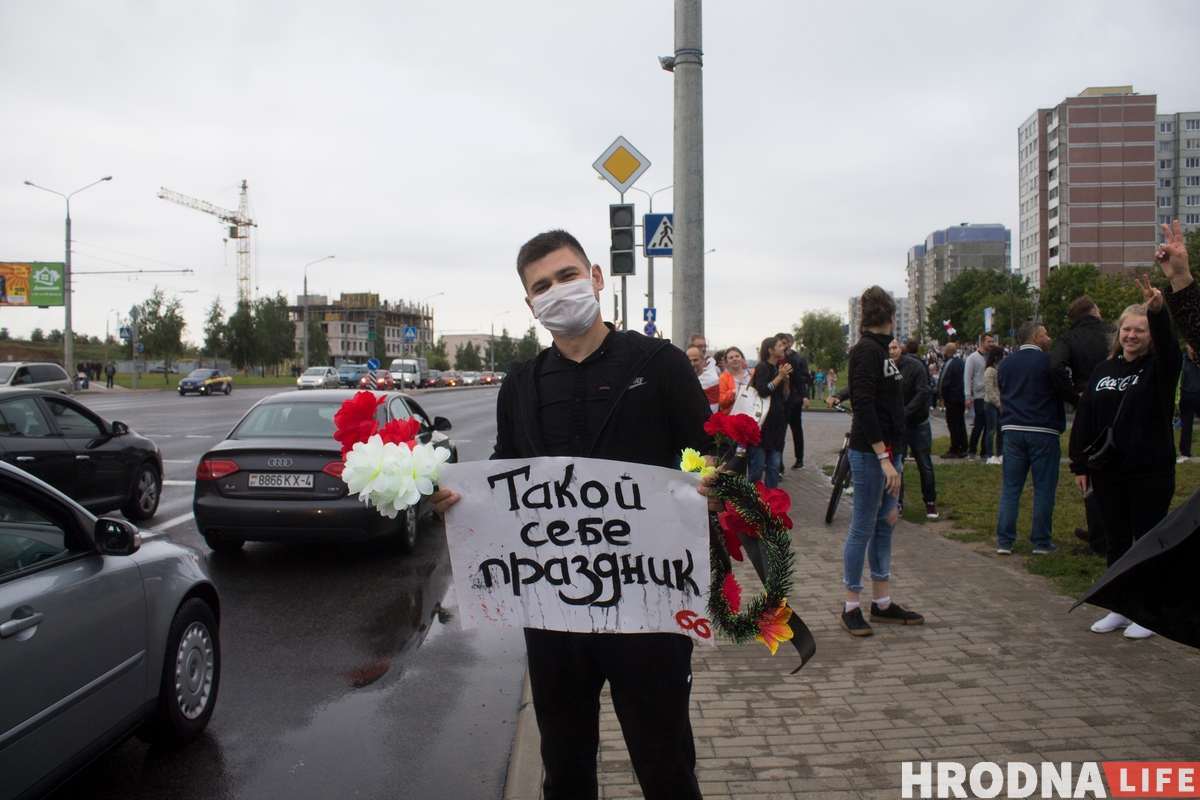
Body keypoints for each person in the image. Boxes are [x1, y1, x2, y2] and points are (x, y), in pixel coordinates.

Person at [429, 229, 711, 799]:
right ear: (531, 306)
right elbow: (509, 469)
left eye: (566, 276)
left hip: (648, 610)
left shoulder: (660, 365)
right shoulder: (522, 383)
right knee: (564, 769)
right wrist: (460, 502)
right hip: (554, 614)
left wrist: (714, 480)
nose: (557, 291)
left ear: (596, 277)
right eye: (541, 286)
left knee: (665, 767)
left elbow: (707, 452)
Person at [1070, 283, 1181, 640]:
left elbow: (1170, 348)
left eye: (1140, 330)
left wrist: (1158, 312)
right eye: (1127, 329)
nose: (1132, 335)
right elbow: (1085, 417)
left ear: (1151, 336)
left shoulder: (1160, 370)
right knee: (1116, 541)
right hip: (1108, 473)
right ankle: (1120, 606)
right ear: (1118, 332)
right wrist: (1080, 465)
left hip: (1150, 472)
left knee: (1148, 540)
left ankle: (1147, 611)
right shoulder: (1104, 370)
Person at [840, 286, 923, 637]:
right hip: (873, 454)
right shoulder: (866, 352)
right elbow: (864, 404)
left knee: (886, 524)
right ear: (892, 318)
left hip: (890, 452)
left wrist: (896, 456)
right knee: (862, 526)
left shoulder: (881, 352)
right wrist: (885, 458)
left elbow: (887, 405)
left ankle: (883, 602)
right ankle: (851, 606)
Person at [1050, 295, 1118, 556]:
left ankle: (1099, 537)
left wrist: (1072, 396)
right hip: (1120, 397)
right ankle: (1110, 532)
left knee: (1090, 466)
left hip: (1088, 405)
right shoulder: (1112, 331)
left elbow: (1056, 366)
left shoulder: (1069, 338)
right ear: (1095, 312)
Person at [995, 321, 1064, 556]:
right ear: (1035, 338)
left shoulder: (1005, 364)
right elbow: (1061, 390)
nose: (1049, 339)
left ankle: (1005, 541)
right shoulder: (1049, 361)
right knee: (1044, 488)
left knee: (1011, 488)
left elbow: (1003, 391)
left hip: (1013, 430)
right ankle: (1041, 542)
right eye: (1045, 335)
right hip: (1043, 429)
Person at [897, 340, 937, 520]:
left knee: (924, 464)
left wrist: (905, 412)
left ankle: (930, 502)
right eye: (888, 348)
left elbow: (922, 392)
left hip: (918, 423)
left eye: (894, 347)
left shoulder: (915, 366)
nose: (891, 351)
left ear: (901, 350)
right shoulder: (887, 368)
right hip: (899, 425)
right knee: (897, 465)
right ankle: (897, 503)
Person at [748, 336, 792, 488]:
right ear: (770, 350)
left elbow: (784, 396)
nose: (783, 348)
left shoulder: (777, 368)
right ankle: (750, 500)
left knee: (774, 466)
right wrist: (779, 377)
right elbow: (763, 391)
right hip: (762, 427)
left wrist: (785, 381)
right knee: (757, 468)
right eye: (780, 346)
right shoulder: (763, 367)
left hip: (777, 425)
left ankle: (771, 503)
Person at [777, 332, 811, 470]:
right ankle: (778, 464)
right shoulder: (770, 361)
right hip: (778, 401)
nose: (782, 347)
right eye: (779, 344)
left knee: (796, 429)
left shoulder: (794, 360)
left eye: (784, 343)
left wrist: (804, 395)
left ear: (789, 343)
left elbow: (799, 379)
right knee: (779, 432)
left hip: (794, 400)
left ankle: (799, 459)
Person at [964, 333, 995, 459]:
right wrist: (968, 395)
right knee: (979, 423)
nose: (991, 344)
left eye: (992, 341)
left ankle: (985, 450)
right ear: (982, 342)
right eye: (989, 341)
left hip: (991, 394)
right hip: (979, 395)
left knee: (989, 424)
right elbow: (968, 377)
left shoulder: (993, 358)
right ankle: (972, 450)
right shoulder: (973, 358)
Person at [938, 343, 967, 457]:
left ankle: (954, 448)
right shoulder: (961, 362)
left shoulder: (949, 364)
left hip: (952, 397)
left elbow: (943, 382)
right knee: (961, 423)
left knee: (952, 424)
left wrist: (942, 396)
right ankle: (963, 447)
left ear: (947, 351)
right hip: (961, 396)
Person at [982, 346, 1006, 465]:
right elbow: (989, 390)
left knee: (1000, 430)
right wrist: (998, 404)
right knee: (991, 431)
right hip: (991, 404)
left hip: (999, 402)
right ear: (996, 357)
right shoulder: (990, 370)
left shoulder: (998, 369)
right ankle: (990, 455)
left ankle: (1000, 453)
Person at [1178, 345, 1200, 462]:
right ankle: (1185, 453)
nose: (1193, 348)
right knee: (1186, 425)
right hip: (1186, 395)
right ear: (1187, 345)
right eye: (1191, 345)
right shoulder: (1182, 361)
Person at [717, 345, 753, 413]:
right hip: (733, 415)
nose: (734, 359)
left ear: (742, 358)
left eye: (737, 356)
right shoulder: (724, 377)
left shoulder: (752, 373)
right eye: (731, 358)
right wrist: (733, 393)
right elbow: (721, 402)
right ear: (727, 362)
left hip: (752, 412)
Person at [687, 345, 719, 413]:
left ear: (702, 360)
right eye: (689, 361)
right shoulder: (682, 380)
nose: (692, 364)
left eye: (695, 360)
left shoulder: (712, 380)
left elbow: (713, 409)